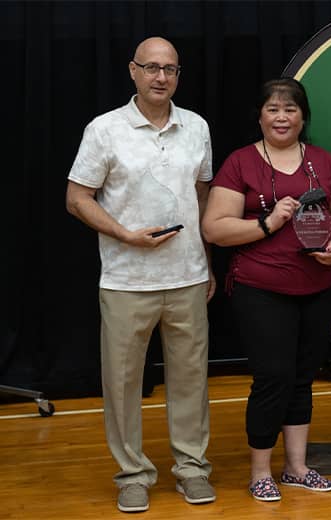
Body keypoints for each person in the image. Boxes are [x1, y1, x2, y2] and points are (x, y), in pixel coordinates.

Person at [65, 37, 216, 513]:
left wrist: (207, 262)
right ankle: (132, 474)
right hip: (127, 280)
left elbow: (203, 196)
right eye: (151, 67)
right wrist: (126, 235)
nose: (160, 77)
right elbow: (77, 198)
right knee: (124, 383)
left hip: (188, 276)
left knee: (191, 379)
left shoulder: (196, 127)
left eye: (170, 69)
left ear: (178, 75)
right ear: (133, 71)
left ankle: (192, 469)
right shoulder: (105, 129)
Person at [201, 78, 331, 502]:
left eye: (290, 109)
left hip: (320, 285)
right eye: (272, 109)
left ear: (303, 116)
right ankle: (260, 472)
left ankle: (297, 467)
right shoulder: (240, 163)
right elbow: (214, 228)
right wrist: (267, 224)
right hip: (261, 287)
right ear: (260, 115)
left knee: (304, 377)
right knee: (273, 378)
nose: (281, 117)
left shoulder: (322, 161)